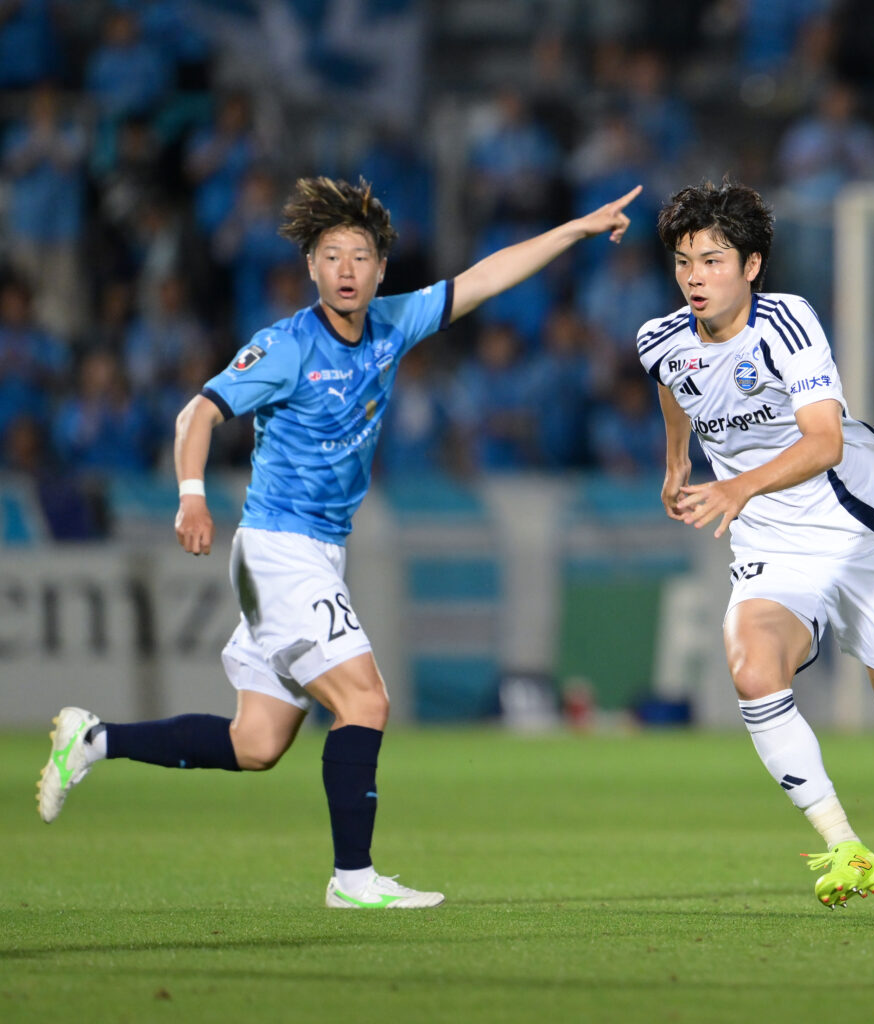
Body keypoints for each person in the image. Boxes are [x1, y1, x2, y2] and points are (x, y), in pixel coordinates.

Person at [37, 176, 641, 909]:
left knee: (257, 743)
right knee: (366, 700)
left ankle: (93, 740)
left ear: (381, 269)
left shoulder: (393, 324)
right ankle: (353, 879)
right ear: (311, 268)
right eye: (331, 256)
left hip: (318, 551)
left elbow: (485, 278)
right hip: (279, 549)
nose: (346, 270)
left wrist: (574, 230)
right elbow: (195, 414)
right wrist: (191, 495)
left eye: (360, 256)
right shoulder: (286, 346)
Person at [639, 180, 874, 907]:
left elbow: (825, 443)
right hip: (774, 545)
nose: (694, 278)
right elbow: (673, 384)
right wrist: (676, 462)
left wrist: (738, 487)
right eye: (683, 262)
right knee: (752, 667)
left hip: (861, 536)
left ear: (751, 266)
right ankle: (845, 845)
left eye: (712, 261)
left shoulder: (787, 323)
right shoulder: (661, 339)